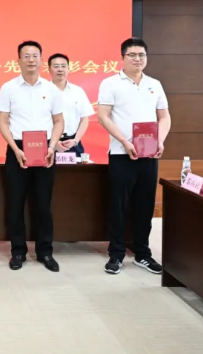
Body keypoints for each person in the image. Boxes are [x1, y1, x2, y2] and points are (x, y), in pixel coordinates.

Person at [97, 37, 171, 276]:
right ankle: (116, 254)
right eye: (132, 55)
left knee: (145, 205)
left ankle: (142, 254)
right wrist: (125, 141)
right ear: (123, 57)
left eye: (141, 55)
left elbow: (164, 116)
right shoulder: (110, 83)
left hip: (149, 155)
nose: (137, 59)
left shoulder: (154, 84)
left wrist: (160, 140)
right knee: (118, 206)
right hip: (121, 154)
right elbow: (103, 116)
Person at [0, 40, 64, 272]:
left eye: (35, 56)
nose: (31, 60)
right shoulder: (8, 88)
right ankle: (18, 252)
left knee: (43, 204)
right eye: (26, 56)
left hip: (45, 150)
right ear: (18, 61)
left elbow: (59, 121)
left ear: (41, 60)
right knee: (15, 203)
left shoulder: (51, 89)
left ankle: (45, 252)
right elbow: (2, 121)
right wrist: (15, 149)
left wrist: (52, 147)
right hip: (17, 149)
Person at [48, 53, 95, 156]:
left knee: (75, 167)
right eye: (56, 66)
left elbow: (84, 119)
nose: (60, 69)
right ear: (49, 69)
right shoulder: (43, 91)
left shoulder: (78, 91)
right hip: (49, 145)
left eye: (63, 66)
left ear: (68, 69)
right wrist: (53, 143)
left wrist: (75, 140)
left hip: (73, 143)